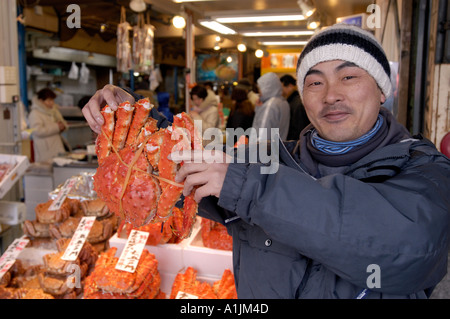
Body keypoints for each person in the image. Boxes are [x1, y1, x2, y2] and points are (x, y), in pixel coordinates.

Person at [82, 24, 450, 299]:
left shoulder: (424, 169)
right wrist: (132, 124)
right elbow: (176, 165)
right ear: (303, 96)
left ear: (382, 89)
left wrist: (248, 187)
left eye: (349, 77)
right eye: (314, 82)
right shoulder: (270, 159)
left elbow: (405, 248)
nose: (331, 95)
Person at [28, 88, 68, 163]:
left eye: (52, 100)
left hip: (57, 147)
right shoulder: (35, 113)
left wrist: (63, 126)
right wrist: (57, 127)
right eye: (49, 100)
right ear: (41, 101)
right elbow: (37, 131)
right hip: (45, 151)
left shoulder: (54, 111)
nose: (52, 103)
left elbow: (62, 122)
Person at [252, 72, 290, 141]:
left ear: (267, 88)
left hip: (265, 150)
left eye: (260, 88)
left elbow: (262, 135)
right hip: (279, 148)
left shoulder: (270, 105)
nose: (259, 92)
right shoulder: (284, 102)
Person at [280, 74, 310, 140]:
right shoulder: (293, 101)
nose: (281, 91)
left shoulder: (297, 103)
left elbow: (299, 128)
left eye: (282, 88)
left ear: (290, 86)